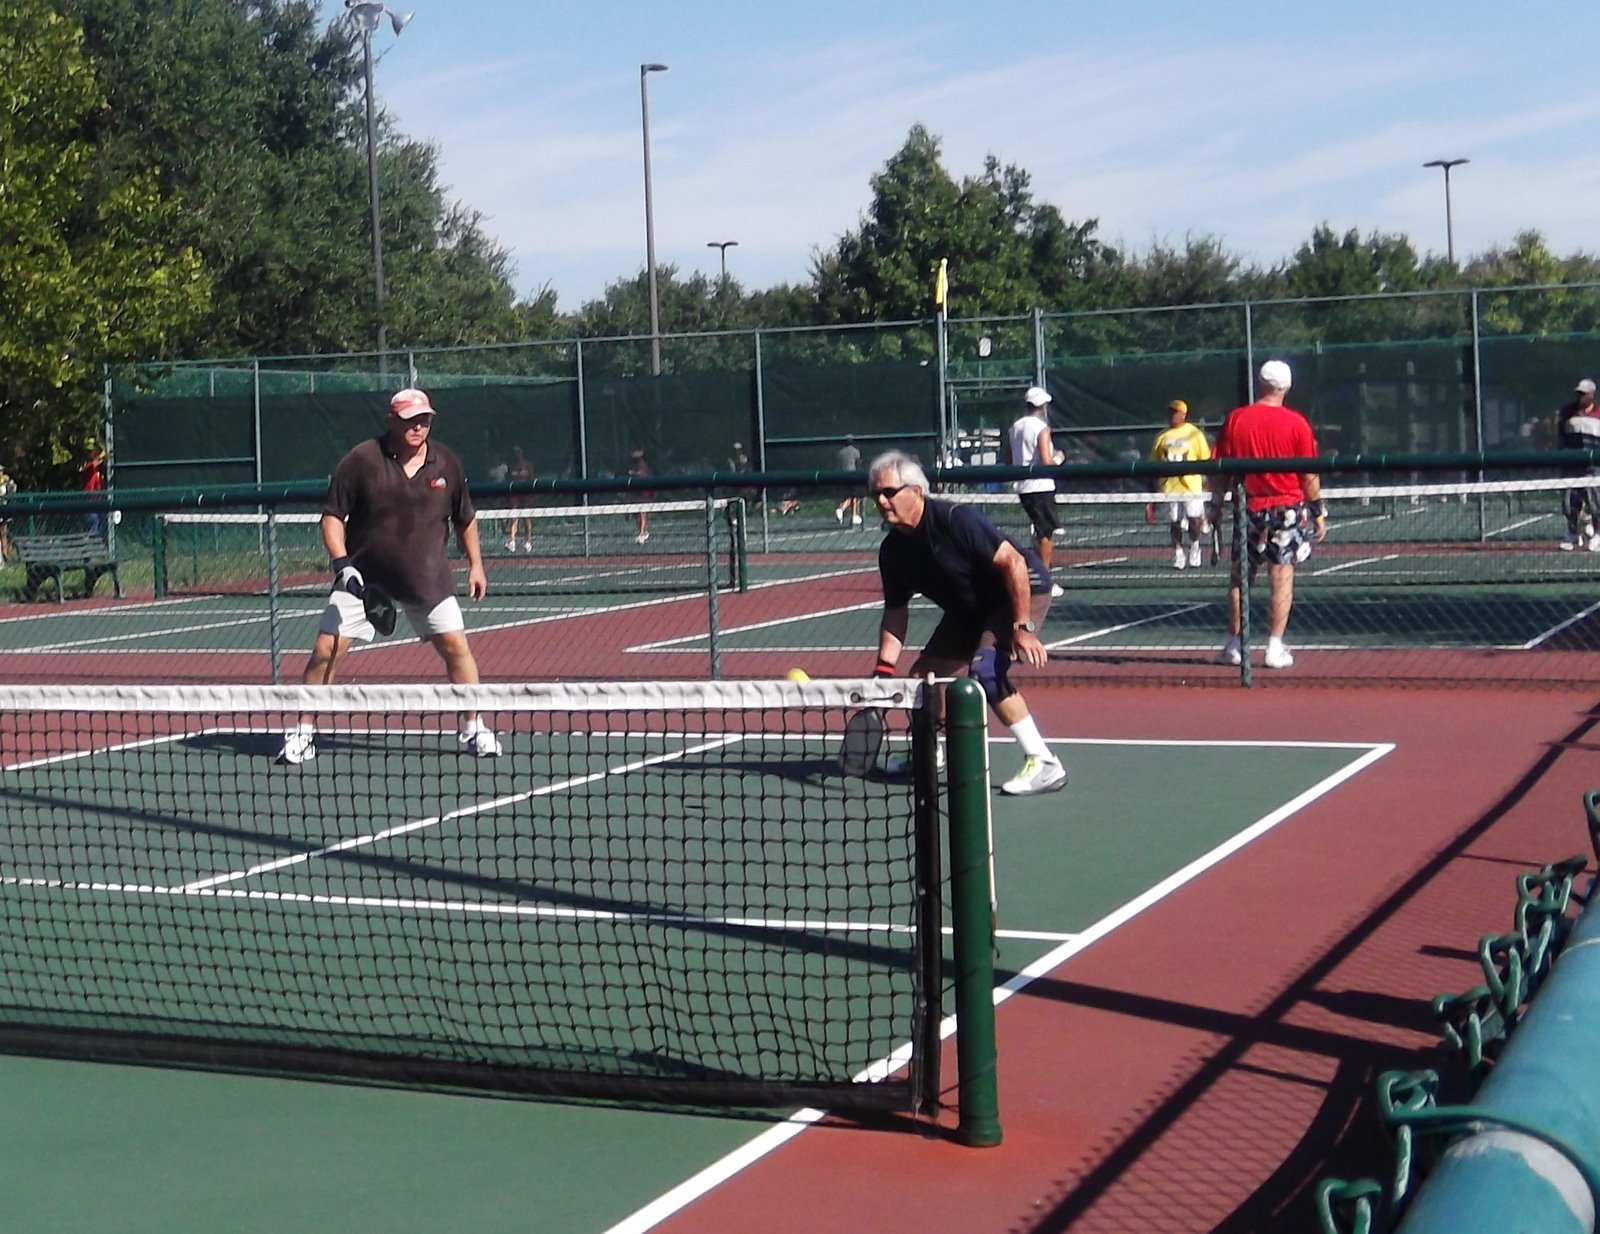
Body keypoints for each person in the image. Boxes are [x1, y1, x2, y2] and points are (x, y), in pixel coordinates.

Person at [276, 387, 500, 764]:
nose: (419, 426)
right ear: (391, 421)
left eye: (425, 419)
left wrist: (476, 565)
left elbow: (465, 519)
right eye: (411, 419)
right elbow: (332, 516)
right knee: (325, 652)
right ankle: (303, 731)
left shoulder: (447, 462)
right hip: (363, 580)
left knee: (457, 649)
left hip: (427, 578)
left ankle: (473, 727)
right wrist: (341, 564)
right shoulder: (361, 460)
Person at [868, 449, 1067, 796]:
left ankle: (1045, 762)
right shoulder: (892, 551)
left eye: (889, 492)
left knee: (986, 670)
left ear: (915, 492)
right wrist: (883, 672)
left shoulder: (955, 520)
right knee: (924, 677)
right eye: (876, 495)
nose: (882, 501)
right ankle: (928, 755)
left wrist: (1022, 628)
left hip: (1019, 591)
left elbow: (1015, 564)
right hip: (969, 608)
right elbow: (896, 612)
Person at [1210, 360, 1325, 670]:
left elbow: (1218, 469)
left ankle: (1235, 645)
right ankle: (1274, 647)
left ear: (1260, 384)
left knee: (1240, 577)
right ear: (1286, 387)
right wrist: (1318, 512)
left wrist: (1216, 504)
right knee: (1282, 574)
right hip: (1285, 508)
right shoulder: (1297, 423)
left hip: (1248, 507)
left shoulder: (1236, 419)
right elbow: (1309, 475)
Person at [1006, 386, 1065, 598]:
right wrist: (1059, 458)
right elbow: (1047, 461)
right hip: (1040, 487)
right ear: (1041, 406)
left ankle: (1038, 576)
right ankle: (1045, 581)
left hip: (1023, 487)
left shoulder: (1015, 427)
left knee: (1040, 532)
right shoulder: (1041, 428)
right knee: (1045, 533)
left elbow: (1008, 459)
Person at [1150, 398, 1213, 569]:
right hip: (1170, 487)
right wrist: (1152, 496)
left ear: (1183, 415)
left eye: (1175, 412)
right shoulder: (1161, 436)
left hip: (1191, 486)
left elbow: (1205, 459)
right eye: (1170, 411)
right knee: (1175, 521)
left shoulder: (1195, 434)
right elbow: (1153, 464)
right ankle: (1178, 553)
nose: (1172, 415)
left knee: (1194, 519)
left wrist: (1206, 484)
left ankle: (1195, 546)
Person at [1557, 379, 1600, 552]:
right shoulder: (1567, 413)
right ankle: (1573, 534)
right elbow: (1561, 438)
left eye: (1583, 394)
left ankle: (1598, 534)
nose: (1580, 397)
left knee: (1596, 502)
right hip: (1571, 466)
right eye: (1578, 394)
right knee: (1569, 502)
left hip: (1594, 467)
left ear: (1591, 395)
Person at [504, 444, 533, 553]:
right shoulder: (511, 466)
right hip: (515, 493)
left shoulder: (528, 465)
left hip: (526, 493)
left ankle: (528, 542)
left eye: (518, 451)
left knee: (527, 517)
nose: (516, 454)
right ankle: (512, 541)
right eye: (514, 452)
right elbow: (508, 479)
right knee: (514, 516)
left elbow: (531, 478)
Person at [835, 435, 864, 526]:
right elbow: (858, 464)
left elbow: (838, 466)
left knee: (849, 496)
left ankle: (853, 515)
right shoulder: (856, 452)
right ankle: (841, 509)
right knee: (854, 496)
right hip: (852, 476)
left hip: (842, 476)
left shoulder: (840, 452)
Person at [628, 446, 652, 543]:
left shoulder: (643, 464)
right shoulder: (633, 464)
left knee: (642, 512)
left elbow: (643, 474)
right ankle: (642, 531)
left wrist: (634, 473)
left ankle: (643, 532)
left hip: (644, 492)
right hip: (636, 492)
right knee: (637, 513)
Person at [81, 446, 106, 535]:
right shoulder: (89, 465)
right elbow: (94, 463)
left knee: (101, 525)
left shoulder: (98, 471)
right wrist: (102, 455)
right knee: (94, 523)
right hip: (90, 501)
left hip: (98, 501)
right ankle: (91, 545)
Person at [0, 462, 14, 562]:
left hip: (3, 509)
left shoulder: (5, 481)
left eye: (1, 471)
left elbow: (12, 491)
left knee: (3, 533)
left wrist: (10, 485)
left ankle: (5, 556)